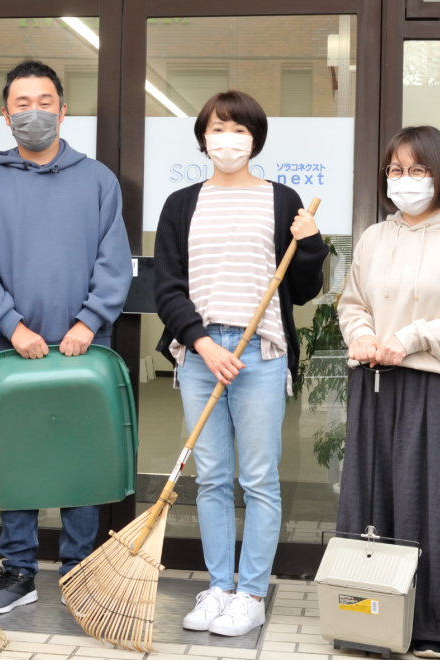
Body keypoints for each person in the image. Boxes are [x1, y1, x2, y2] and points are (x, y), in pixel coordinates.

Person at [154, 91, 328, 637]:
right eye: (218, 129)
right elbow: (167, 287)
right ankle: (218, 587)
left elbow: (300, 291)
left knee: (258, 479)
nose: (228, 139)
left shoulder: (281, 200)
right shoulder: (182, 203)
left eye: (240, 131)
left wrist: (311, 245)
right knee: (210, 478)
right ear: (203, 138)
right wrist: (202, 343)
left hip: (260, 350)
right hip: (201, 351)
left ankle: (251, 592)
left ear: (255, 139)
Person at [0, 60, 131, 614]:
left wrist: (88, 322)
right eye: (21, 103)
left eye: (44, 102)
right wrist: (12, 327)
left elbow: (113, 262)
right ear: (5, 114)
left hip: (85, 347)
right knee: (19, 457)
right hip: (15, 350)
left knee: (82, 457)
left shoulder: (98, 180)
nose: (33, 112)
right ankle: (17, 569)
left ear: (64, 109)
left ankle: (80, 565)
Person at [336, 125, 440, 659]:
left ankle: (428, 626)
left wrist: (409, 337)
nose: (405, 181)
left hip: (439, 387)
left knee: (435, 504)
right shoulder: (375, 237)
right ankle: (364, 619)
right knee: (370, 497)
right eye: (396, 171)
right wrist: (360, 334)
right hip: (376, 382)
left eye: (418, 170)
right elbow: (352, 300)